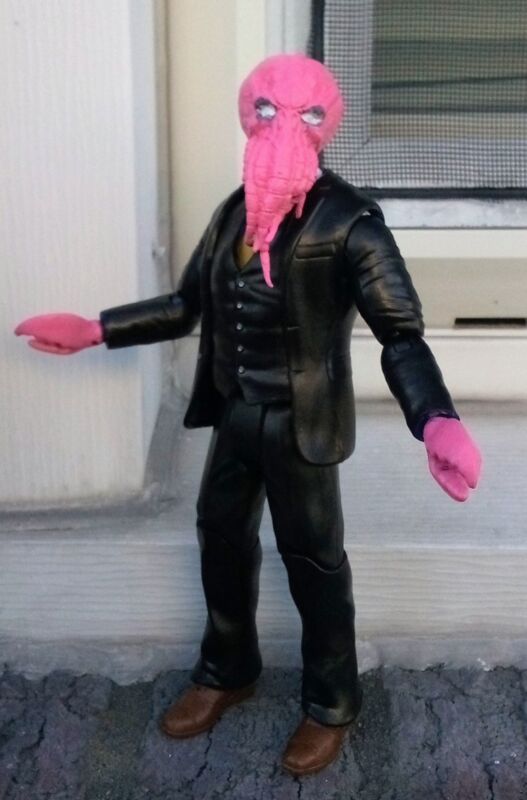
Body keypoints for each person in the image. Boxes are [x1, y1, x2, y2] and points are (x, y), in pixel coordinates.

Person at [15, 54, 481, 776]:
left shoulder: (351, 223)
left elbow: (400, 334)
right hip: (235, 413)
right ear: (247, 116)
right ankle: (227, 669)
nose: (281, 127)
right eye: (266, 109)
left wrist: (435, 419)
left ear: (326, 126)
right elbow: (185, 307)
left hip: (302, 426)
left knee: (315, 563)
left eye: (304, 114)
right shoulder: (234, 212)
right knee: (220, 539)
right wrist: (96, 330)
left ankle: (332, 702)